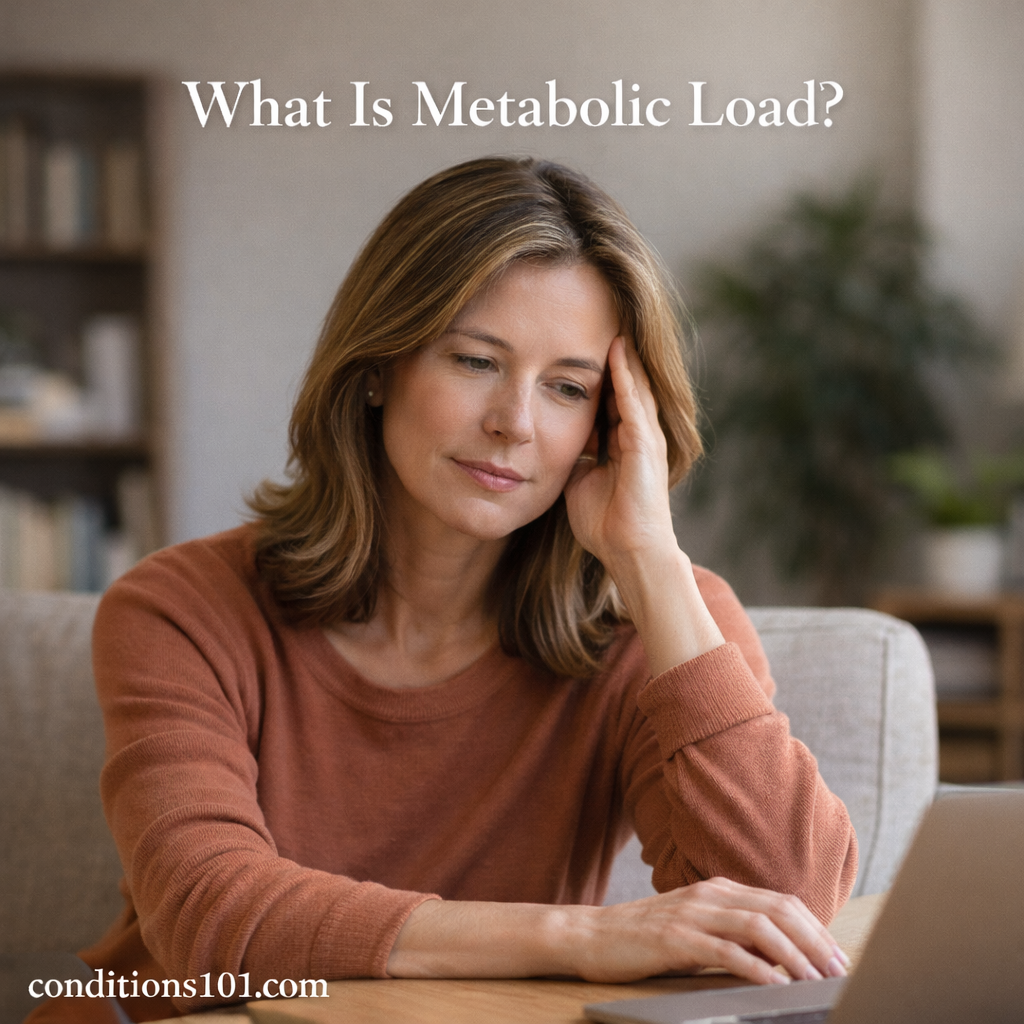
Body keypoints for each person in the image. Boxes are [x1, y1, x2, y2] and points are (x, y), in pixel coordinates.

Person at [41, 157, 856, 1022]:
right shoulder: (181, 609)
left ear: (614, 425)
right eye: (475, 360)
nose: (516, 422)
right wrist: (580, 937)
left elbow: (788, 912)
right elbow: (205, 916)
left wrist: (651, 559)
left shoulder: (658, 624)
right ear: (376, 366)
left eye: (569, 387)